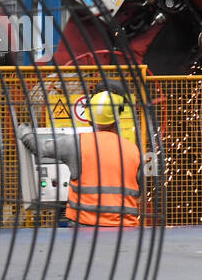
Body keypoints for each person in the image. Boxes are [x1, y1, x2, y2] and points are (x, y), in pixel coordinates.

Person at [18, 89, 142, 228]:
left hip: (84, 228)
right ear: (117, 119)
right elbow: (139, 189)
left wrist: (24, 132)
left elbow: (39, 147)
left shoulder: (76, 143)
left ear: (89, 119)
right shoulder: (133, 149)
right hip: (125, 229)